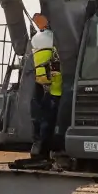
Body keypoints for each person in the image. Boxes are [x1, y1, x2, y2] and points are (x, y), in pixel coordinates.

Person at [27, 12, 63, 161]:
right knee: (49, 119)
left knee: (39, 117)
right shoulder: (55, 38)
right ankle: (46, 150)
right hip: (56, 85)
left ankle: (37, 147)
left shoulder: (35, 39)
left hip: (40, 82)